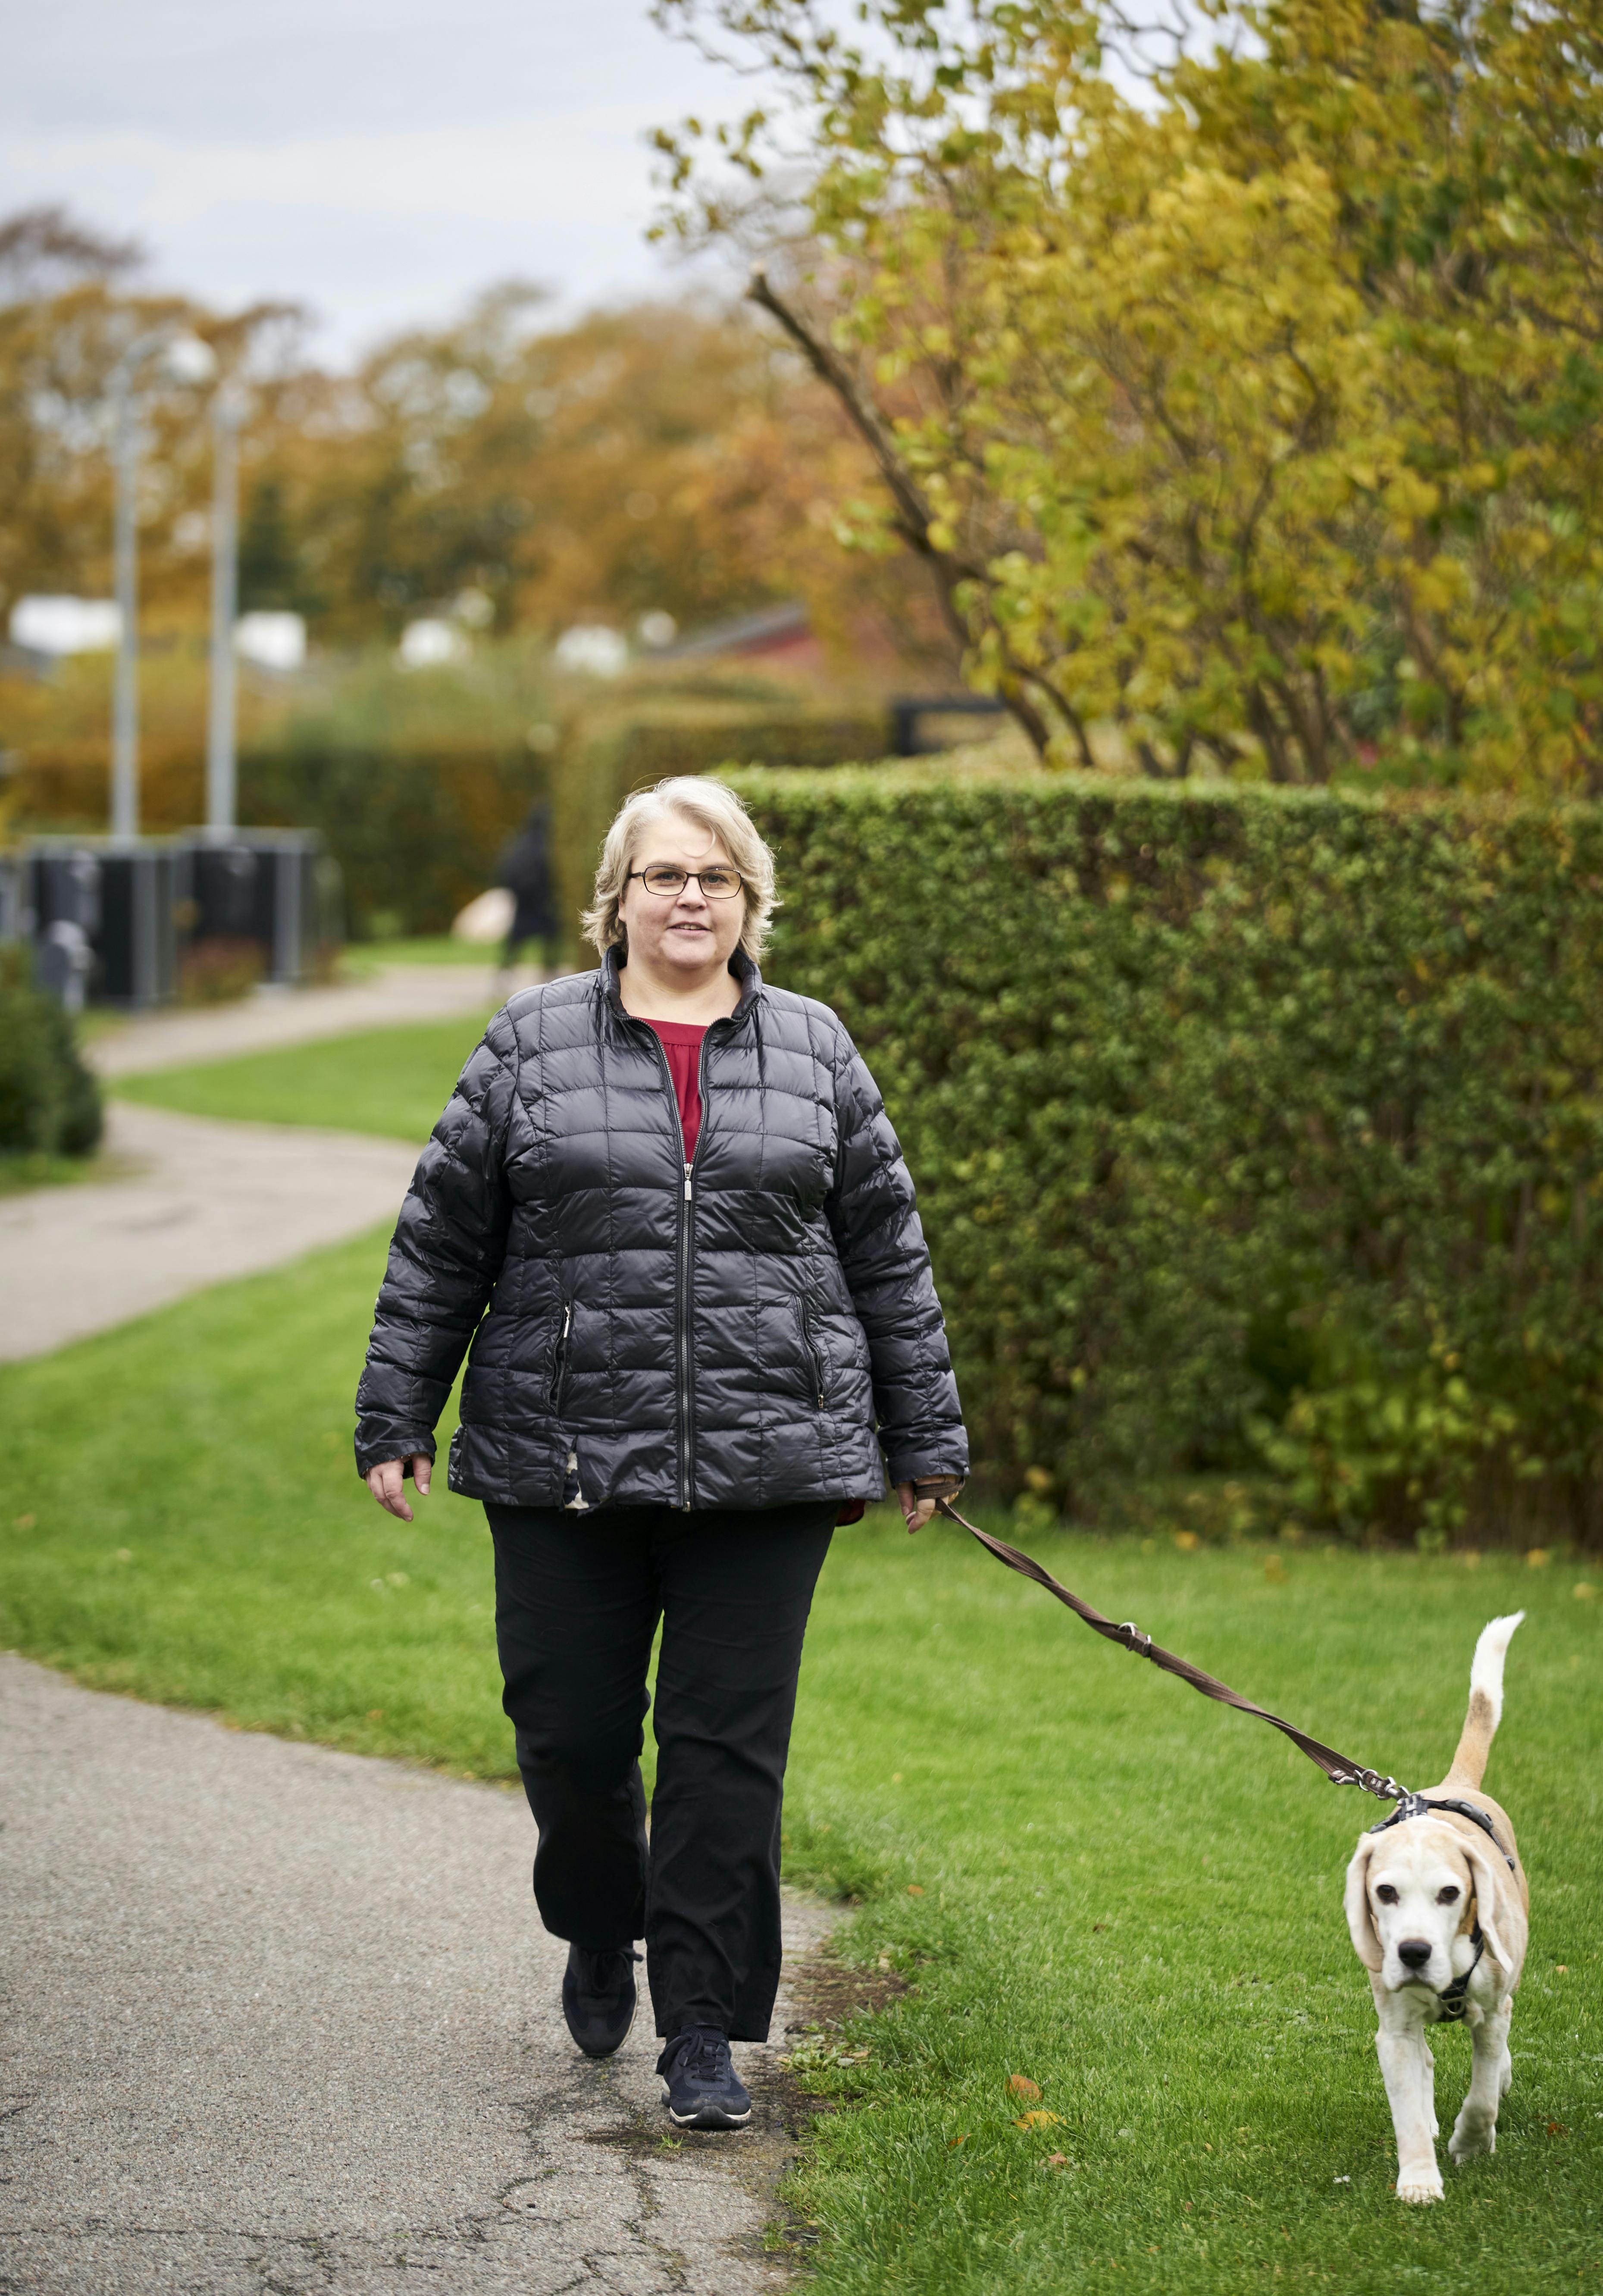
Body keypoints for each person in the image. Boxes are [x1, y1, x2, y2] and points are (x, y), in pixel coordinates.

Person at [354, 775, 967, 2131]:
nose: (692, 897)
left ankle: (701, 2026)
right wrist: (397, 1410)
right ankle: (599, 1915)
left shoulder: (815, 1046)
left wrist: (924, 1435)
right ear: (616, 900)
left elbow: (887, 1252)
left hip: (769, 1460)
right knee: (570, 1739)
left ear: (749, 903)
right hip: (561, 1456)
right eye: (666, 874)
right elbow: (443, 1238)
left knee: (723, 1757)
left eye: (717, 876)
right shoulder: (529, 1041)